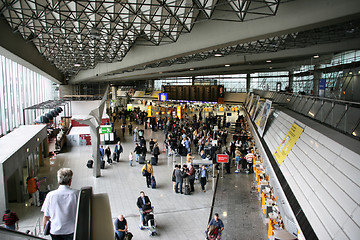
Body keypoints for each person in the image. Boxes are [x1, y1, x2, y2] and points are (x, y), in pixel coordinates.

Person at [41, 168, 79, 240]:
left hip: (55, 231)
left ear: (58, 181)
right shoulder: (76, 194)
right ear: (70, 181)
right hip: (72, 230)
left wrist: (44, 229)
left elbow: (46, 216)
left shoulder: (50, 195)